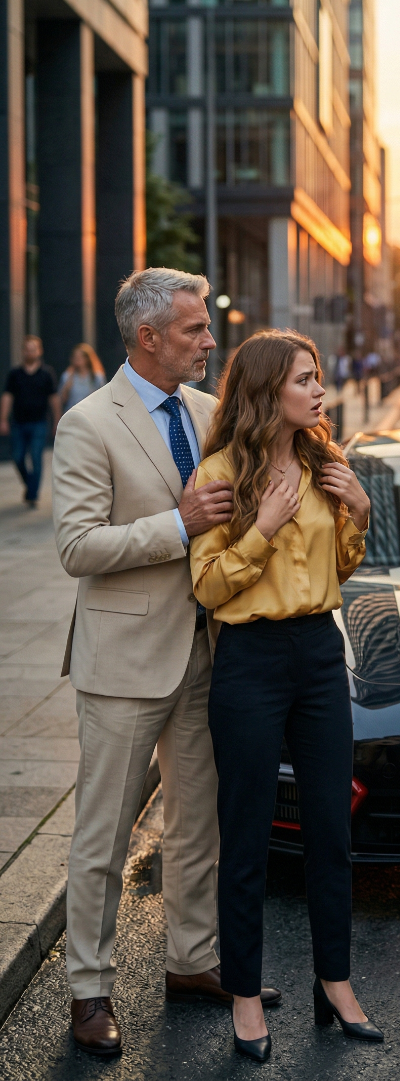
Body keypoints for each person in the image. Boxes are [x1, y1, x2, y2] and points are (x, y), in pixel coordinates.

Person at [52, 268, 281, 1058]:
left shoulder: (209, 412)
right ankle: (89, 990)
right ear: (148, 337)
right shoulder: (87, 423)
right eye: (193, 329)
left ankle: (191, 961)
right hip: (122, 662)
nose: (209, 341)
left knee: (197, 827)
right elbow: (77, 548)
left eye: (206, 326)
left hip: (207, 652)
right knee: (102, 837)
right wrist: (176, 524)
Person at [190, 329, 383, 1062]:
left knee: (332, 830)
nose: (319, 391)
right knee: (246, 837)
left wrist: (359, 509)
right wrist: (262, 528)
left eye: (319, 378)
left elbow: (341, 562)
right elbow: (206, 587)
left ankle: (334, 981)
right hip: (249, 660)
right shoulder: (218, 474)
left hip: (317, 653)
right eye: (305, 379)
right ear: (268, 389)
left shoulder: (324, 462)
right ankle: (244, 993)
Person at [0, 335, 60, 507]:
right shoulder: (14, 374)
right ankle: (30, 485)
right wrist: (3, 419)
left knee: (35, 457)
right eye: (27, 349)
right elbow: (7, 397)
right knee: (17, 457)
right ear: (23, 351)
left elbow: (54, 398)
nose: (30, 352)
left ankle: (32, 495)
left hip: (39, 423)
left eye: (33, 349)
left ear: (39, 351)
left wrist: (57, 419)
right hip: (18, 422)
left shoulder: (46, 373)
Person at [59, 343, 107, 412]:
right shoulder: (67, 376)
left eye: (80, 356)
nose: (77, 359)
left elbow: (103, 399)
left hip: (90, 414)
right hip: (72, 414)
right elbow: (61, 400)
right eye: (75, 357)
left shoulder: (97, 377)